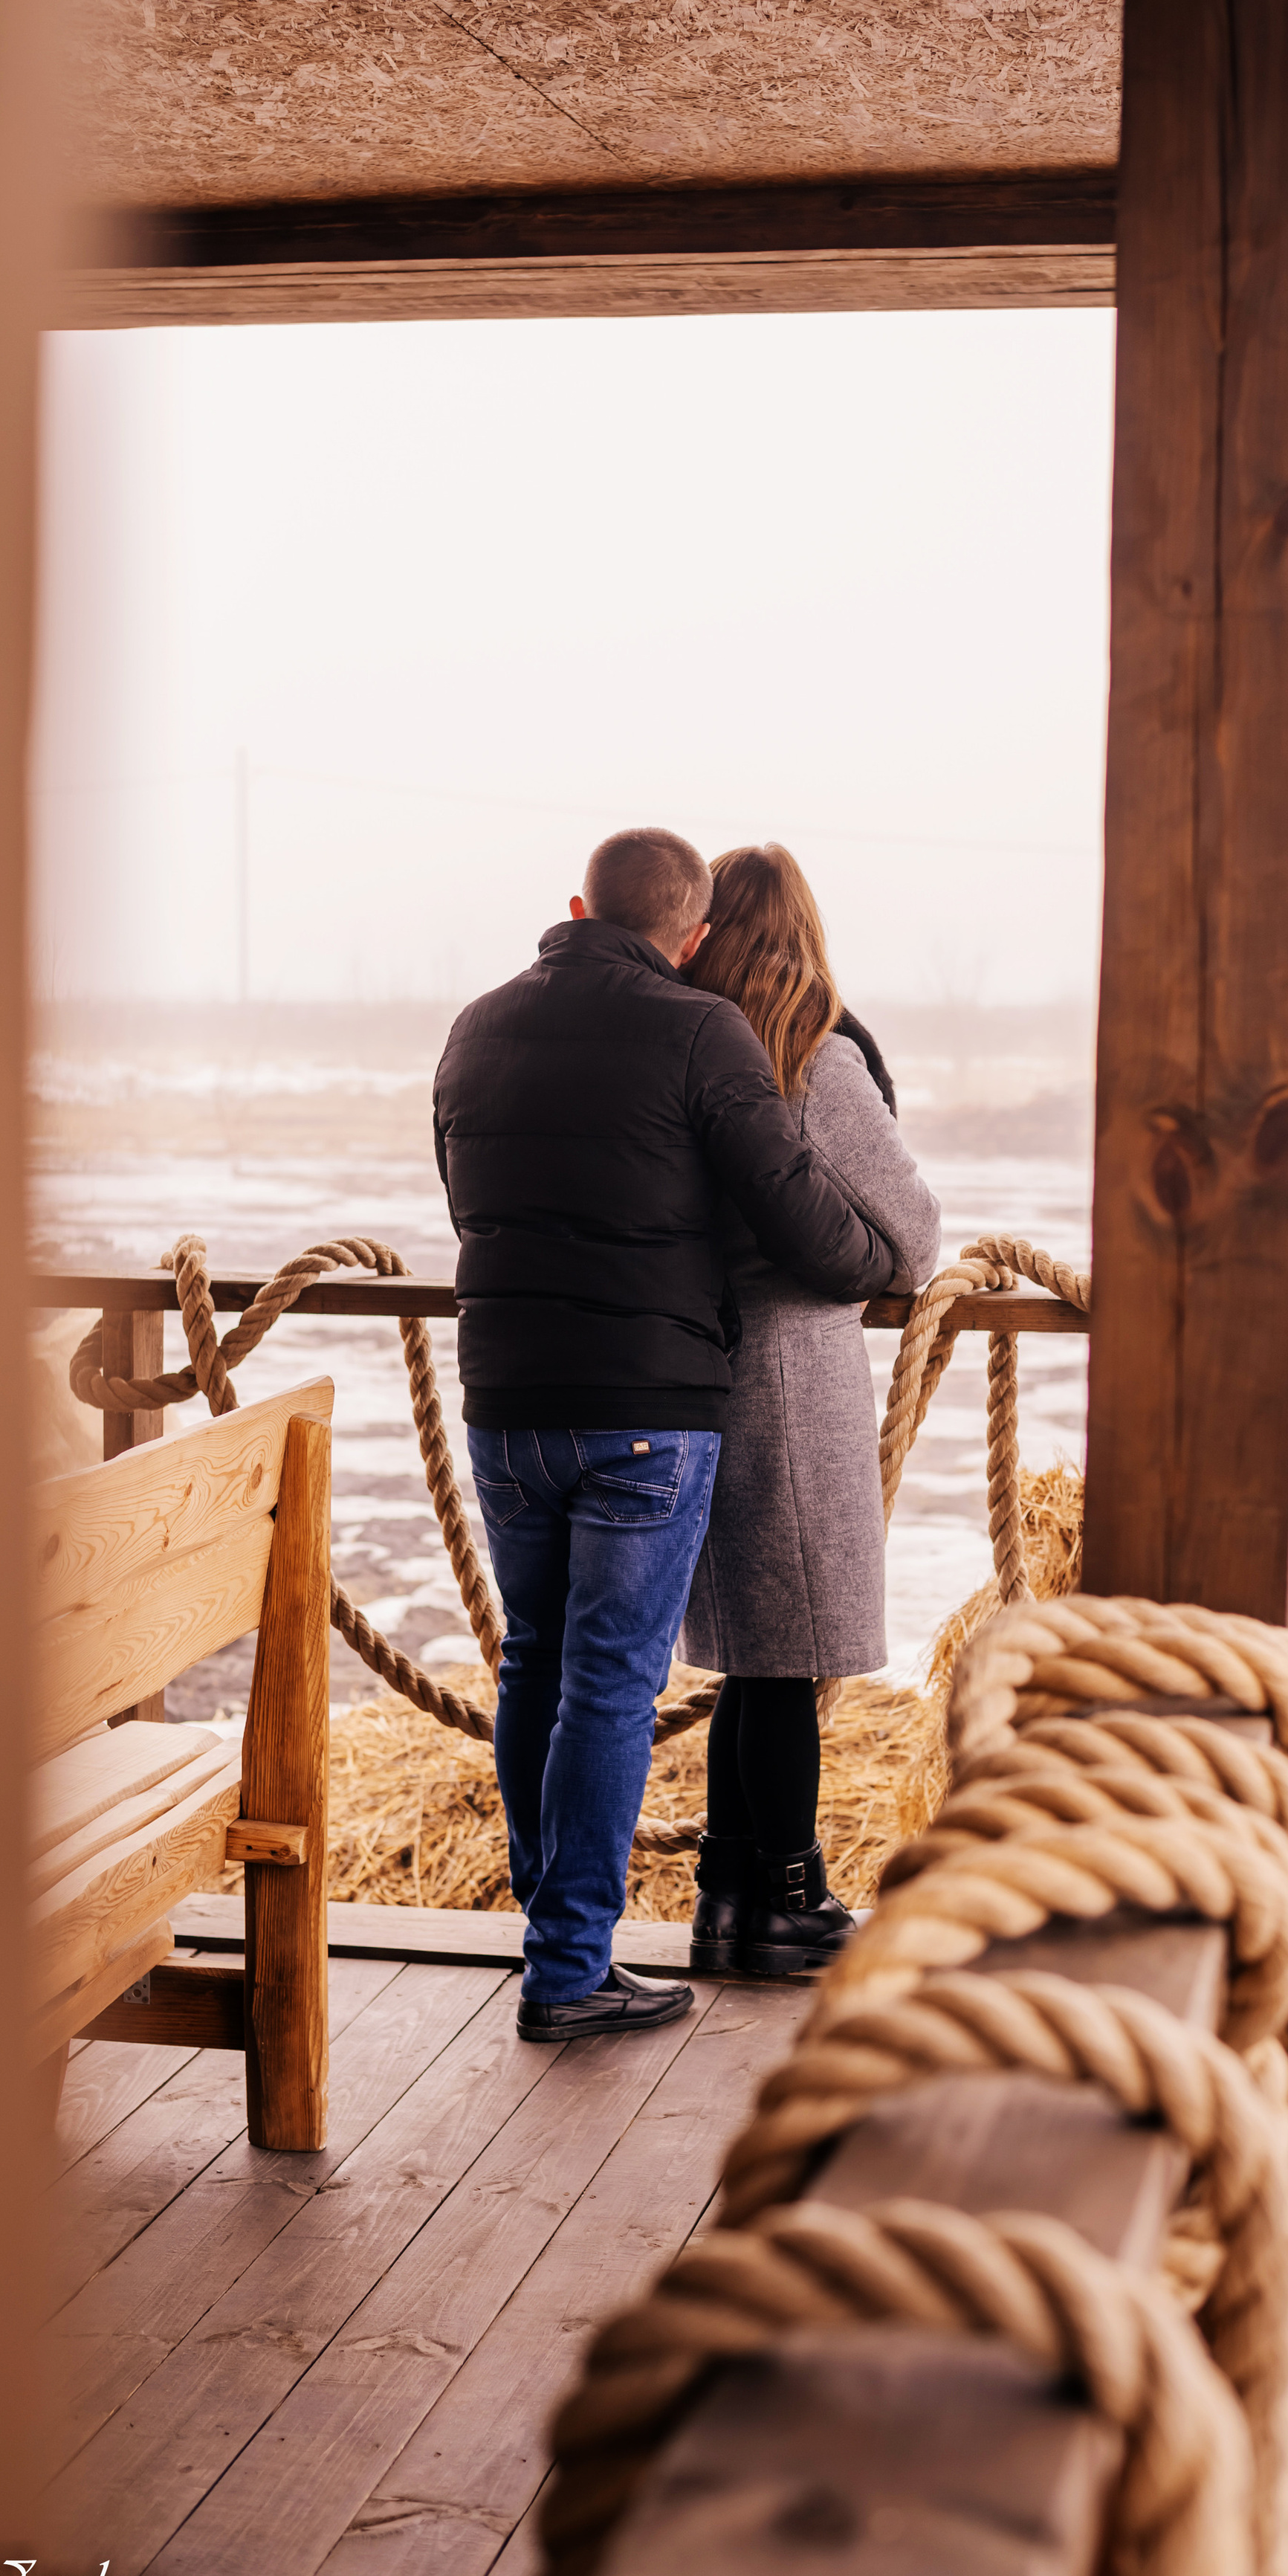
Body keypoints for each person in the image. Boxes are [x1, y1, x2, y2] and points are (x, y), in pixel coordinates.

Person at [433, 827, 899, 2042]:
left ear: (579, 903)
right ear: (689, 937)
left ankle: (553, 1931)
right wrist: (874, 1262)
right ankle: (568, 1970)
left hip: (504, 1402)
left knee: (534, 1661)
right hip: (646, 1414)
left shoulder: (475, 1026)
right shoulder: (701, 1034)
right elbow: (793, 1207)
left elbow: (464, 1194)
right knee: (608, 1684)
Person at [680, 842, 943, 1977]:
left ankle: (726, 1899)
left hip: (699, 1363)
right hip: (796, 1372)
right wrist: (869, 1262)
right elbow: (916, 1234)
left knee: (754, 1656)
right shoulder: (814, 1057)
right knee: (788, 1656)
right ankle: (792, 1895)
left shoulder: (691, 1049)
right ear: (803, 933)